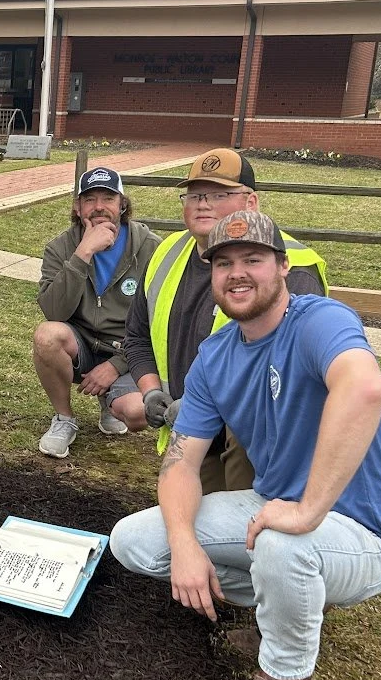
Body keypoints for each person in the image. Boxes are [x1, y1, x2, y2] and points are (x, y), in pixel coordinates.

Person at [109, 212, 381, 680]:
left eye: (253, 260)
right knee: (135, 541)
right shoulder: (215, 357)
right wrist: (184, 545)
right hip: (271, 506)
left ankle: (285, 679)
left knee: (282, 543)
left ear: (283, 266)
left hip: (358, 533)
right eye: (223, 263)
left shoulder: (320, 321)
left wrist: (308, 510)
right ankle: (284, 611)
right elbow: (180, 464)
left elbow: (364, 390)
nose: (237, 273)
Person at [113, 148, 328, 492]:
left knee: (244, 529)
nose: (203, 204)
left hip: (256, 443)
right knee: (195, 523)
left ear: (252, 202)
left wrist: (204, 403)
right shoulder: (166, 254)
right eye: (195, 194)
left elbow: (290, 374)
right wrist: (152, 391)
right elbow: (138, 336)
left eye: (219, 194)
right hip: (193, 436)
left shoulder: (291, 270)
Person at [33, 166, 161, 458]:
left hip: (130, 351)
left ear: (122, 204)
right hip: (83, 347)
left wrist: (116, 365)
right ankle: (65, 418)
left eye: (108, 198)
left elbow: (160, 324)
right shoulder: (60, 247)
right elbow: (54, 311)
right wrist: (83, 254)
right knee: (46, 336)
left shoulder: (152, 249)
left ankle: (111, 403)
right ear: (77, 208)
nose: (99, 207)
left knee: (138, 412)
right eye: (90, 199)